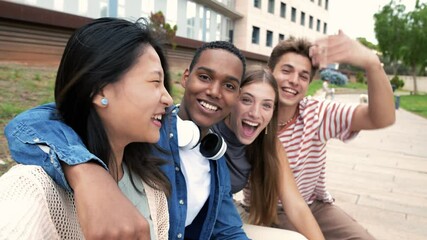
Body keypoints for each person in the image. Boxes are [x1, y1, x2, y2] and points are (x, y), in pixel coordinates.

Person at [4, 40, 249, 239]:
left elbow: (228, 230)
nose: (215, 92)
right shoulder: (150, 131)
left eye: (229, 85)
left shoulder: (209, 160)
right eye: (205, 77)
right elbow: (29, 123)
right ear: (186, 78)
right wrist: (87, 172)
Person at [0, 17, 174, 239]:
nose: (168, 99)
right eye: (154, 82)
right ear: (100, 91)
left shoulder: (151, 187)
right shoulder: (31, 189)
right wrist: (85, 172)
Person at [250, 30, 395, 239]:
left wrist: (371, 63)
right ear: (269, 71)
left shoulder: (317, 113)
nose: (293, 80)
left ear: (309, 84)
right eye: (286, 70)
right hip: (263, 210)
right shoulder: (250, 114)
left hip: (312, 204)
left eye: (303, 76)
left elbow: (382, 118)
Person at [212, 67, 324, 239]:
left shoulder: (267, 144)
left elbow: (296, 206)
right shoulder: (209, 127)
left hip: (226, 217)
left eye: (266, 105)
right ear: (233, 99)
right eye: (246, 100)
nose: (255, 113)